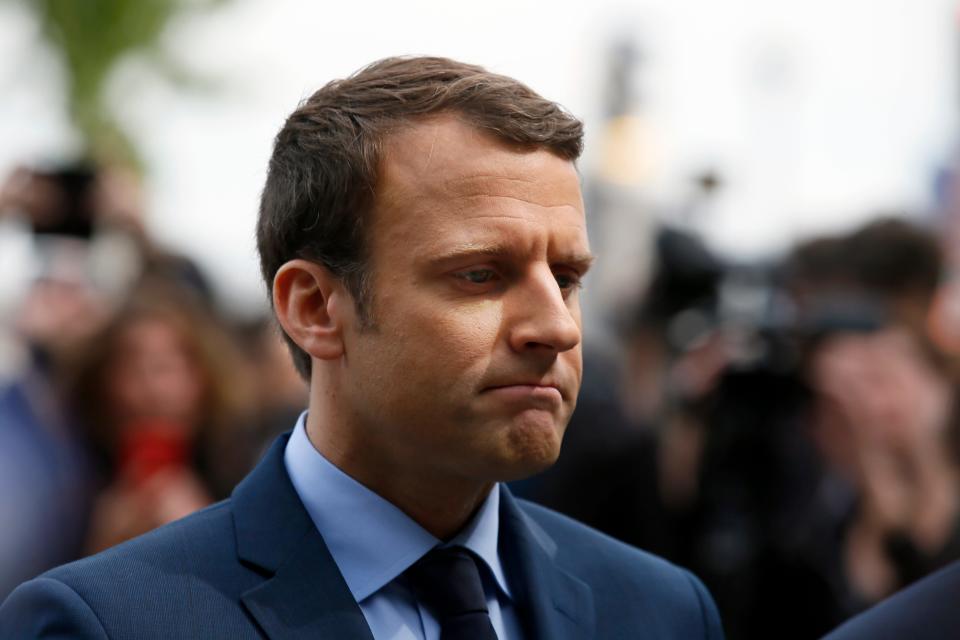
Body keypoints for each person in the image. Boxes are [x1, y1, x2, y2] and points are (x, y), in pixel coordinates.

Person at [0, 56, 724, 639]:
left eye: (566, 278)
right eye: (480, 274)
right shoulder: (109, 623)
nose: (558, 328)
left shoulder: (660, 610)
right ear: (314, 307)